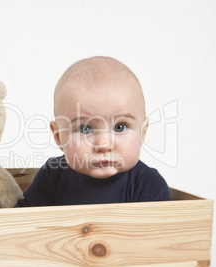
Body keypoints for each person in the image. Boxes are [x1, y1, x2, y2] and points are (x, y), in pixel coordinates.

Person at [16, 56, 171, 207]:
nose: (104, 145)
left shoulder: (147, 185)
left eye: (120, 127)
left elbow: (160, 231)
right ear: (59, 137)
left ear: (142, 133)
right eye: (86, 129)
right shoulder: (53, 176)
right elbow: (20, 222)